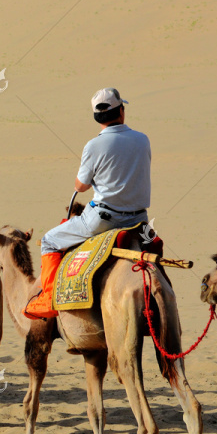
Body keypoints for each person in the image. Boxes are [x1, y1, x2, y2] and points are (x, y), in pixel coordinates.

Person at [24, 88, 151, 319]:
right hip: (140, 221)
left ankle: (48, 299)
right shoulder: (143, 139)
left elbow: (81, 186)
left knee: (50, 241)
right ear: (121, 111)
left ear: (97, 118)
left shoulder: (93, 146)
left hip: (104, 220)